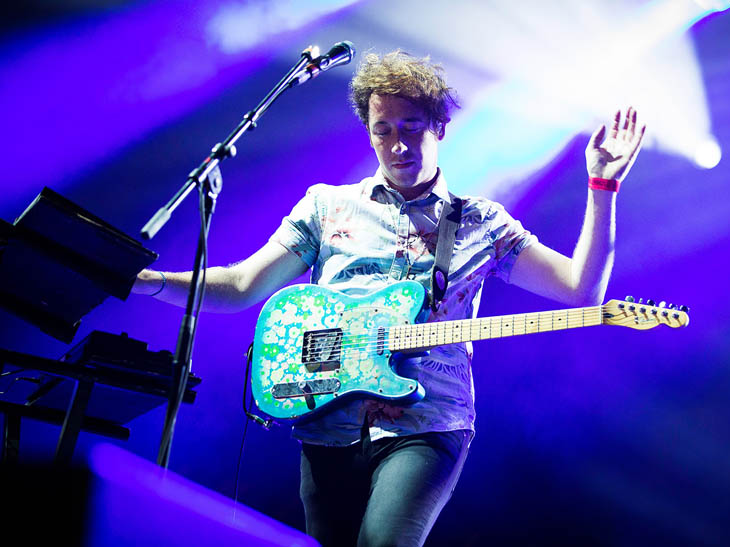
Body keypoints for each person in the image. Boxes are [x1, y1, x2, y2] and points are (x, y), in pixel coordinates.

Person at [133, 50, 645, 546]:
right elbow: (243, 286)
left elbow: (582, 290)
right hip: (327, 416)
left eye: (411, 128)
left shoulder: (481, 222)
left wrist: (602, 188)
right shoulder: (326, 206)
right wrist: (147, 281)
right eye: (383, 131)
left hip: (429, 422)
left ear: (440, 128)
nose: (398, 145)